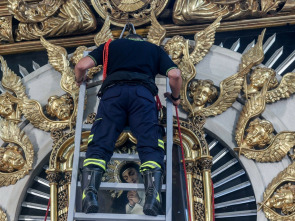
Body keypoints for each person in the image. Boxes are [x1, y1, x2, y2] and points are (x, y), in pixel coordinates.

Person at [74, 33, 182, 216]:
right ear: (140, 39)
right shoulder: (154, 50)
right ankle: (152, 199)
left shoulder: (110, 46)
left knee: (100, 143)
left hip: (113, 96)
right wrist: (175, 97)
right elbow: (175, 74)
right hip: (142, 96)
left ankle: (89, 194)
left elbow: (81, 65)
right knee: (150, 145)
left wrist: (80, 79)